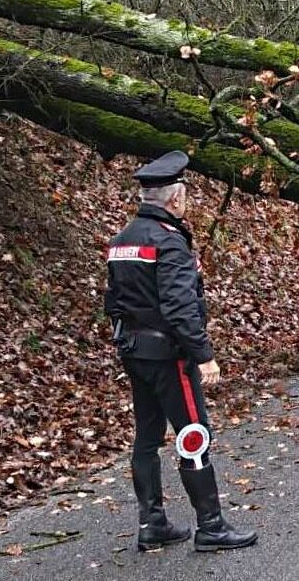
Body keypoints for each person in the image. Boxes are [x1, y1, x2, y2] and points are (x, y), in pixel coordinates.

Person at [104, 151, 257, 553]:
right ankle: (211, 527)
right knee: (193, 433)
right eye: (184, 195)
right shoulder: (169, 242)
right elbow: (178, 306)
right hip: (169, 355)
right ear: (174, 199)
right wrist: (203, 354)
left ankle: (152, 523)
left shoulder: (122, 240)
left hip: (134, 351)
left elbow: (113, 301)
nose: (185, 201)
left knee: (147, 437)